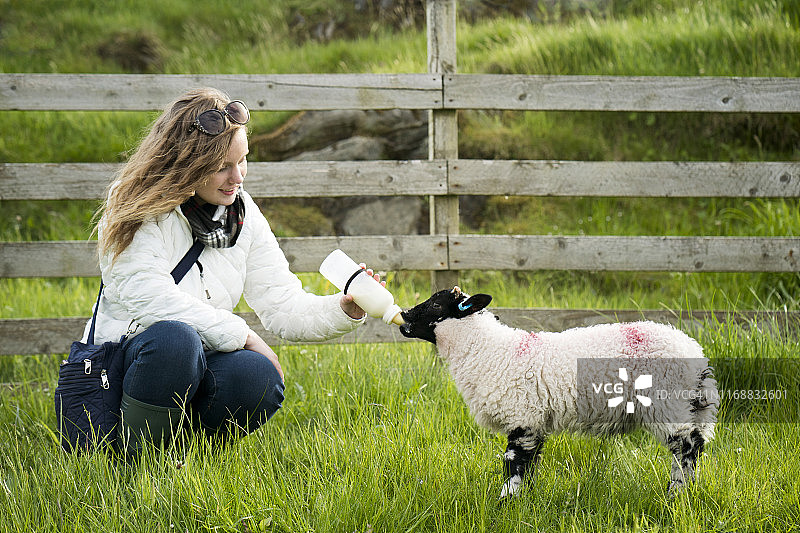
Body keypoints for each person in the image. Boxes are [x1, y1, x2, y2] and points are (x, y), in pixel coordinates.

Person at [86, 87, 380, 455]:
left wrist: (343, 308)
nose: (238, 176)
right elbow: (148, 298)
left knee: (258, 375)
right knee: (176, 341)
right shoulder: (133, 205)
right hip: (127, 367)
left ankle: (185, 460)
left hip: (198, 354)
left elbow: (282, 303)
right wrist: (243, 335)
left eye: (243, 160)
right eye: (223, 166)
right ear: (188, 163)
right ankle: (134, 461)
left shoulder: (242, 215)